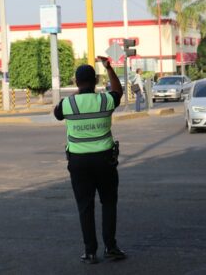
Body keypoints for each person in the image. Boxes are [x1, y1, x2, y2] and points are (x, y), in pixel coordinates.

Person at [53, 56, 126, 264]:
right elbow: (118, 91)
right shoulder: (105, 100)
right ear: (95, 81)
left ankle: (90, 251)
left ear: (76, 82)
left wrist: (78, 94)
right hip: (105, 161)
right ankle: (111, 248)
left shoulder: (68, 104)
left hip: (78, 163)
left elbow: (57, 114)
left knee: (85, 206)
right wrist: (109, 68)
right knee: (109, 203)